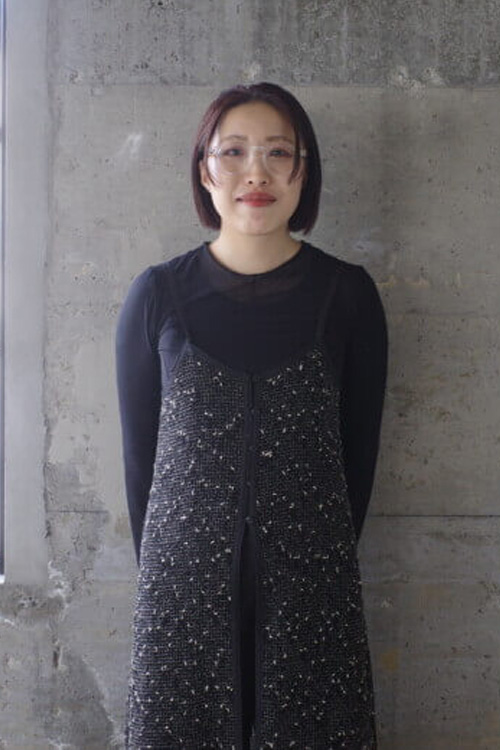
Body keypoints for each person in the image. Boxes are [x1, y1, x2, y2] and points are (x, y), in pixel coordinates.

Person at [115, 81, 388, 750]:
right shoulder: (157, 296)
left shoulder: (348, 297)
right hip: (181, 600)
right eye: (233, 151)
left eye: (277, 152)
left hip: (313, 601)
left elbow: (356, 463)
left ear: (304, 170)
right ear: (205, 169)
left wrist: (309, 562)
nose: (256, 172)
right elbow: (142, 468)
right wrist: (177, 575)